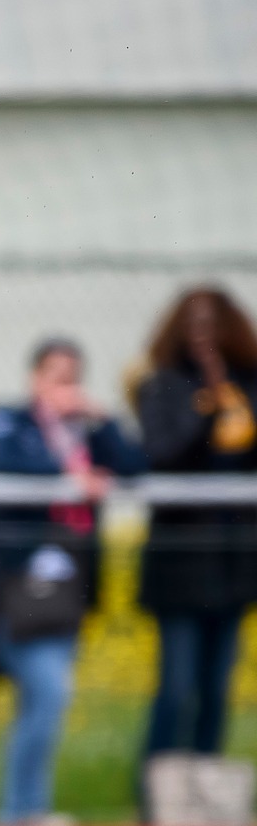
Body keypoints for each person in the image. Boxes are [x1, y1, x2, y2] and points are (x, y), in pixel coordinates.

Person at [0, 337, 146, 826]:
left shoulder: (87, 431)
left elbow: (135, 464)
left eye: (73, 377)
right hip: (17, 590)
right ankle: (21, 812)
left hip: (69, 593)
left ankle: (23, 809)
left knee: (44, 699)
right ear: (35, 379)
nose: (65, 388)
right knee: (48, 691)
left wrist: (104, 418)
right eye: (55, 376)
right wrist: (70, 475)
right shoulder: (10, 419)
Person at [132, 288, 257, 777]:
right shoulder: (162, 386)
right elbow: (162, 456)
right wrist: (206, 412)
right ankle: (157, 794)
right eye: (194, 325)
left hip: (234, 561)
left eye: (213, 324)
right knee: (177, 685)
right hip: (181, 565)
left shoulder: (248, 386)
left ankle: (203, 796)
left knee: (216, 689)